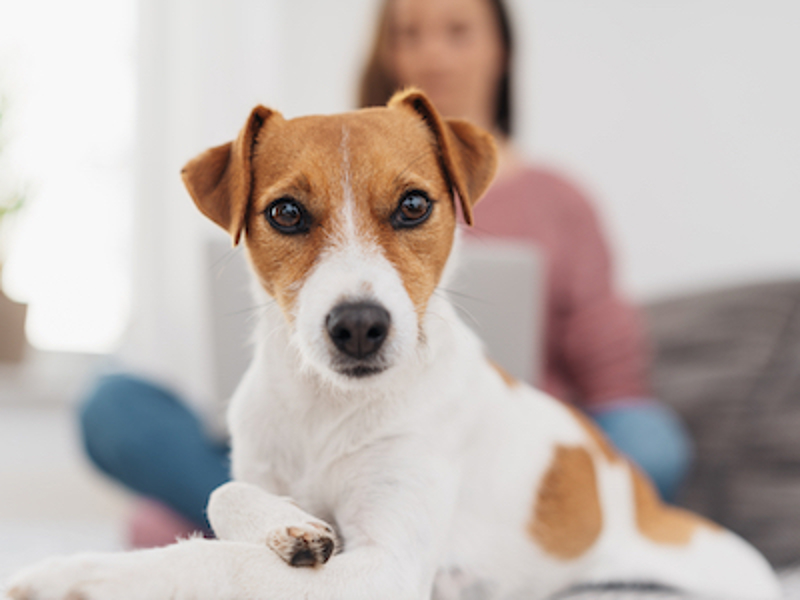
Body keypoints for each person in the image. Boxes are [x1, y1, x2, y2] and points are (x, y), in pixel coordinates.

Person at [79, 0, 692, 549]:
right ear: (385, 50)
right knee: (115, 404)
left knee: (652, 441)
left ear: (499, 49)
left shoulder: (558, 200)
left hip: (490, 440)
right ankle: (315, 528)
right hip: (306, 423)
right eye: (409, 32)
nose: (432, 50)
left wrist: (539, 449)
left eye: (457, 30)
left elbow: (613, 373)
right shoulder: (303, 150)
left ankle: (301, 532)